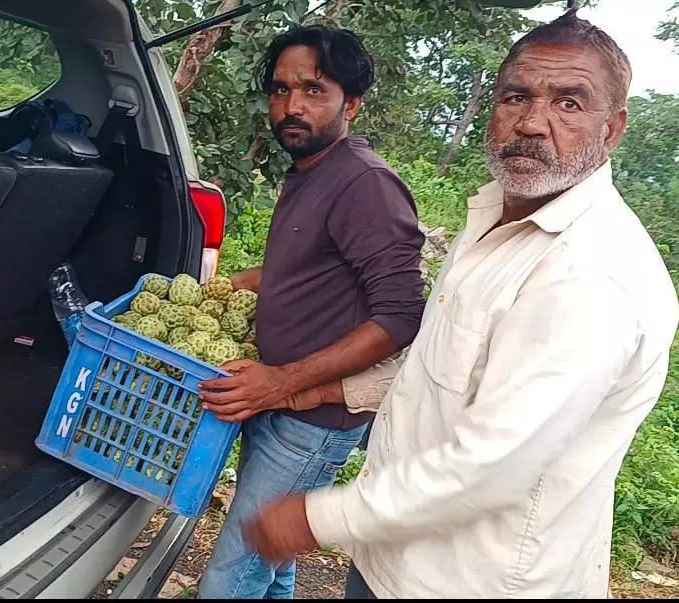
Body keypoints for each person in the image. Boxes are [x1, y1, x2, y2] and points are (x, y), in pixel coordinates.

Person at [240, 10, 679, 599]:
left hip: (474, 581)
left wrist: (315, 519)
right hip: (394, 557)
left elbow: (494, 464)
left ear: (613, 128)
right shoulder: (494, 222)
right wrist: (319, 390)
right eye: (515, 96)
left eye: (569, 103)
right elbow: (439, 363)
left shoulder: (592, 276)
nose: (531, 123)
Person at [195, 25, 427, 599]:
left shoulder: (364, 183)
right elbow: (320, 264)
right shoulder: (310, 169)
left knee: (231, 577)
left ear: (351, 102)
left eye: (313, 90)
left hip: (309, 420)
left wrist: (282, 383)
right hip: (272, 399)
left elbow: (399, 316)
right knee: (272, 557)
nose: (291, 106)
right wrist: (250, 283)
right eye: (279, 90)